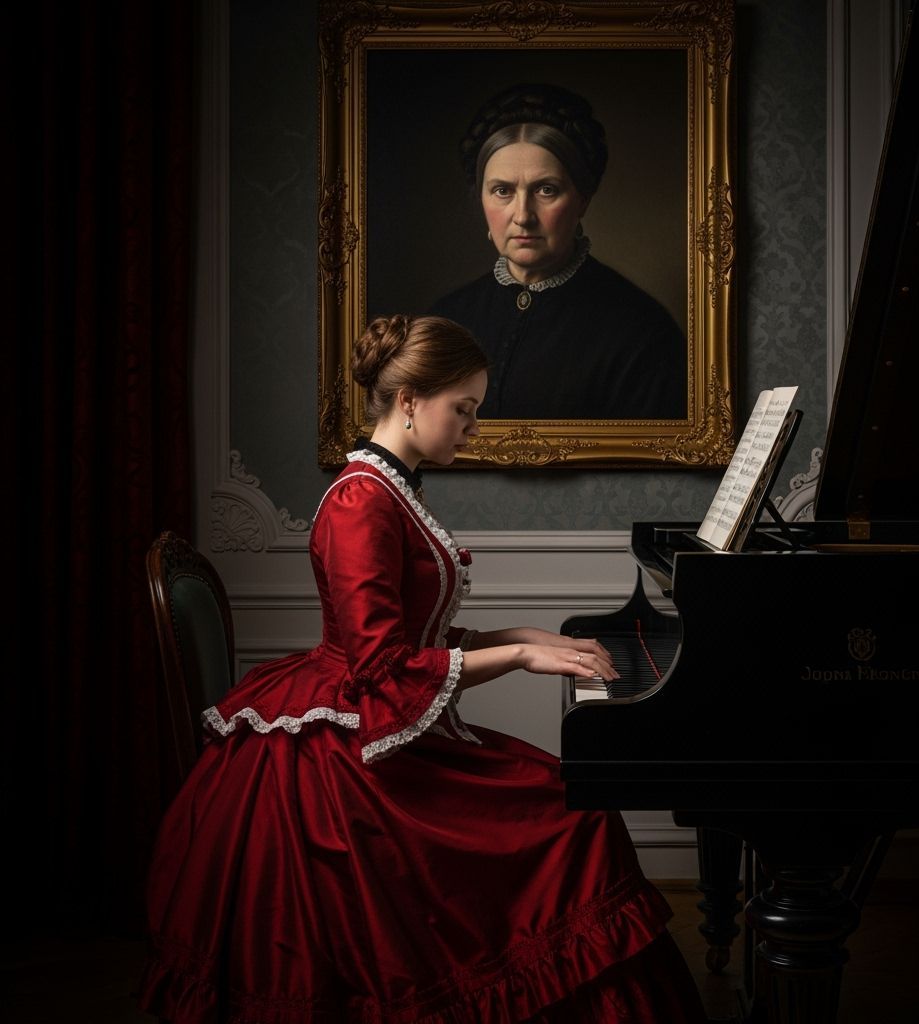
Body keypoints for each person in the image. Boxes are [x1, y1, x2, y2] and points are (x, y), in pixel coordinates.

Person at [138, 314, 707, 1024]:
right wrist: (524, 656)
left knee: (566, 804)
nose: (472, 426)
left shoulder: (389, 490)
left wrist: (517, 634)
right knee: (569, 817)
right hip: (346, 751)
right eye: (462, 409)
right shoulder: (357, 502)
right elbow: (382, 665)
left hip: (373, 719)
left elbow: (410, 632)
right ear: (410, 400)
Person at [429, 82, 687, 421]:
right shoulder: (445, 320)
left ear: (582, 199)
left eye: (546, 190)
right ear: (481, 200)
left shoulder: (642, 332)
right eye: (502, 191)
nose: (522, 215)